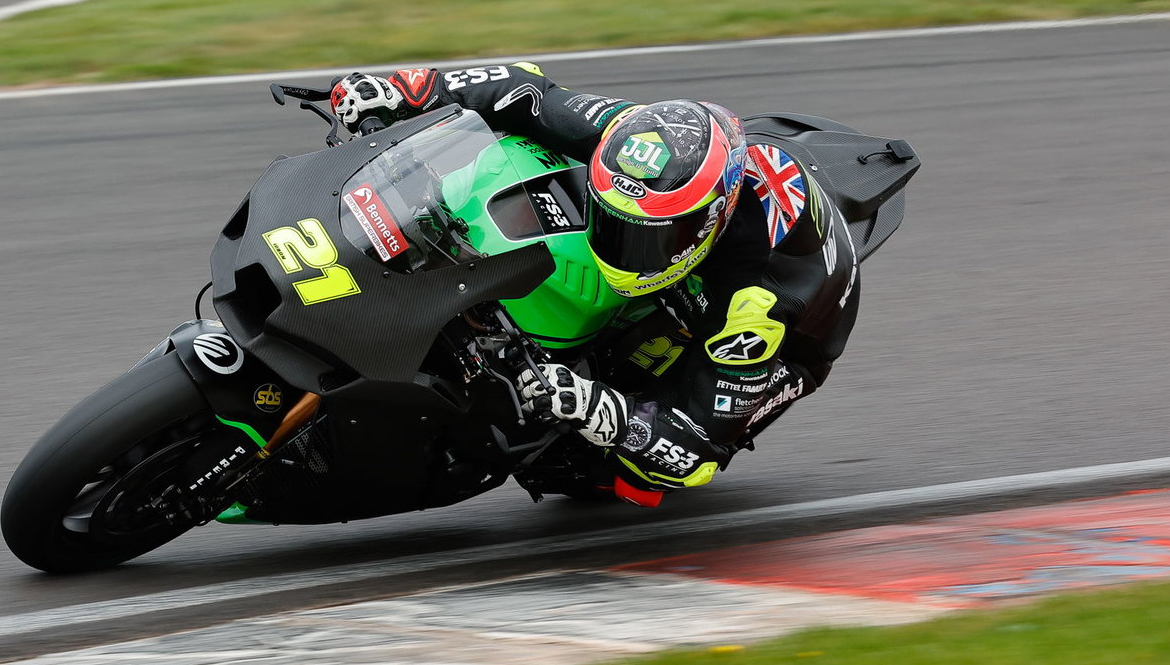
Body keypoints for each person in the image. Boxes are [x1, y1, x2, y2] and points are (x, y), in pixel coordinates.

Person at [329, 64, 859, 506]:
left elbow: (694, 451)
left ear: (706, 223)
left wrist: (588, 404)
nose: (620, 246)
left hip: (791, 331)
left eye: (643, 238)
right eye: (613, 223)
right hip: (715, 215)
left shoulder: (754, 307)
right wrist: (406, 88)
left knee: (620, 474)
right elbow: (525, 89)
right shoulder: (628, 132)